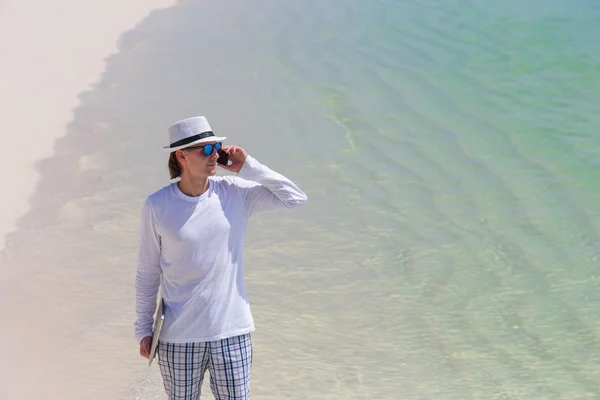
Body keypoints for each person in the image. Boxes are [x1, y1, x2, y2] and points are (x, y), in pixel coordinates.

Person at [134, 116, 307, 399]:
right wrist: (142, 327)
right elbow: (148, 272)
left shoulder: (235, 193)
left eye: (216, 146)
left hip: (232, 332)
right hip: (178, 338)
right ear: (181, 156)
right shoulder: (157, 205)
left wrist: (248, 167)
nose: (215, 154)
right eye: (205, 149)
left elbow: (294, 198)